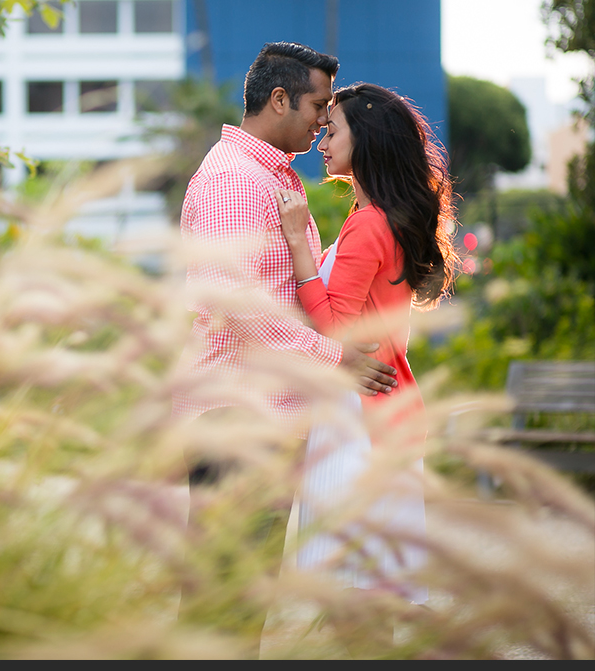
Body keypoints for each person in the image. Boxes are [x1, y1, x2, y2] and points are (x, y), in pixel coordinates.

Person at [172, 43, 398, 618]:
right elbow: (242, 304)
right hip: (238, 418)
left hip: (265, 416)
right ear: (280, 99)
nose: (325, 120)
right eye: (318, 105)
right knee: (224, 603)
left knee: (238, 599)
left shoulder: (272, 177)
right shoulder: (235, 181)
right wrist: (333, 357)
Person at [276, 83, 459, 604]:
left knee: (352, 592)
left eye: (332, 131)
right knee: (367, 589)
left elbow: (336, 326)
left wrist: (296, 243)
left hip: (359, 419)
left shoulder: (369, 225)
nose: (321, 141)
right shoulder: (382, 219)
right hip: (383, 408)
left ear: (369, 140)